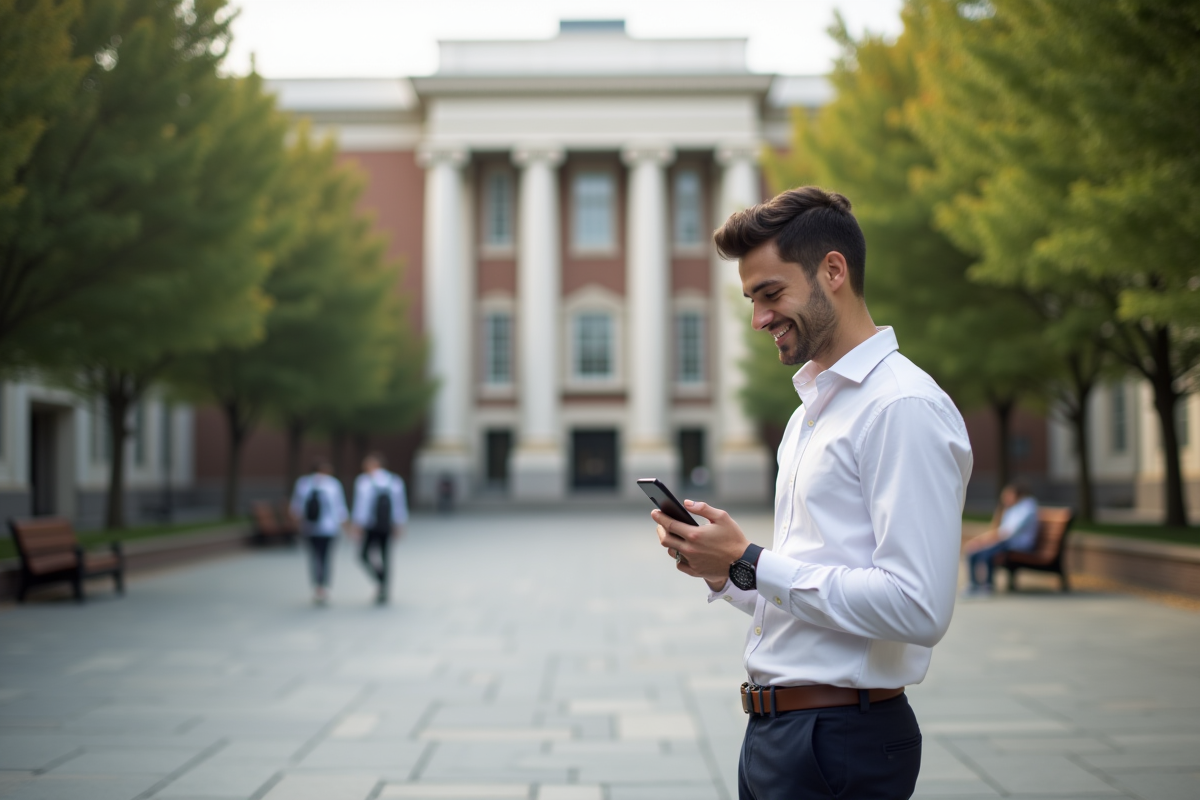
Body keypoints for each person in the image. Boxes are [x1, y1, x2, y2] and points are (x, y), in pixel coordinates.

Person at [652, 186, 973, 800]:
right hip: (785, 736)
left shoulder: (901, 407)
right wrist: (726, 571)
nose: (759, 319)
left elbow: (917, 607)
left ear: (833, 271)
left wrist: (751, 561)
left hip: (840, 741)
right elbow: (817, 590)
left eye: (771, 294)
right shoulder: (810, 414)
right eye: (751, 300)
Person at [351, 452, 408, 605]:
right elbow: (399, 505)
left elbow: (360, 506)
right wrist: (399, 524)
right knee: (385, 556)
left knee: (363, 555)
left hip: (370, 524)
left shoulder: (364, 481)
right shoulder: (394, 480)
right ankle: (384, 585)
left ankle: (381, 581)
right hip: (387, 524)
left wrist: (357, 525)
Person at [289, 459, 348, 606]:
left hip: (309, 527)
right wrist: (346, 526)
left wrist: (297, 523)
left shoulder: (303, 483)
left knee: (314, 557)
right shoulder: (333, 484)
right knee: (325, 557)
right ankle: (324, 586)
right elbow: (339, 508)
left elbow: (296, 507)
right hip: (329, 528)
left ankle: (317, 586)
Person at [963, 483, 1040, 594]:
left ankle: (987, 586)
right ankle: (974, 585)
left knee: (987, 554)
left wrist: (982, 540)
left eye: (1008, 495)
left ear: (1017, 495)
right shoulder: (1012, 508)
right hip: (1007, 542)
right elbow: (1000, 530)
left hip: (1019, 545)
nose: (1005, 499)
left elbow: (1008, 532)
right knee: (973, 552)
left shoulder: (1027, 508)